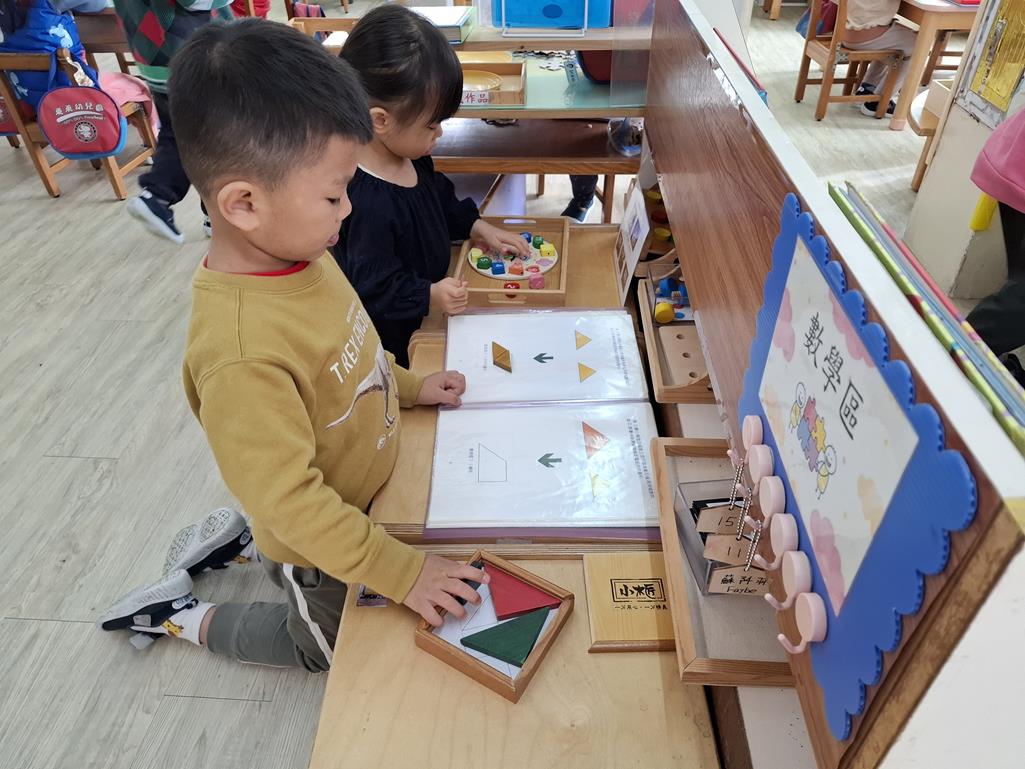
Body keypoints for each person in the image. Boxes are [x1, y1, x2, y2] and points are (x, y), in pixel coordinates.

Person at [97, 20, 489, 671]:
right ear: (244, 204)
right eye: (334, 194)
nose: (348, 209)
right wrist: (403, 571)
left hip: (353, 501)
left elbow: (354, 353)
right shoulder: (242, 356)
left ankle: (240, 538)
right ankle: (176, 614)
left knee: (275, 492)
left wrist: (411, 385)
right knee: (323, 649)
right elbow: (294, 503)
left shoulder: (300, 251)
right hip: (315, 543)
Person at [332, 4, 529, 367]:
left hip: (434, 307)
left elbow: (438, 199)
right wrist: (429, 294)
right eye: (431, 125)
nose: (439, 133)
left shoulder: (412, 155)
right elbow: (375, 288)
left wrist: (477, 226)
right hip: (399, 341)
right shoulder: (366, 202)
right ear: (380, 120)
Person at [113, 0, 233, 244]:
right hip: (187, 51)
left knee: (183, 132)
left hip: (153, 53)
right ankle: (158, 196)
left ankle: (213, 214)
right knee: (212, 136)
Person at [964, 106, 1025, 386]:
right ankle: (958, 357)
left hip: (1016, 158)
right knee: (1020, 300)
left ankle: (967, 354)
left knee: (1019, 287)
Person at [842, 0, 918, 118]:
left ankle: (867, 89)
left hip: (843, 33)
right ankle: (880, 102)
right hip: (865, 36)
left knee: (895, 37)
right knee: (919, 44)